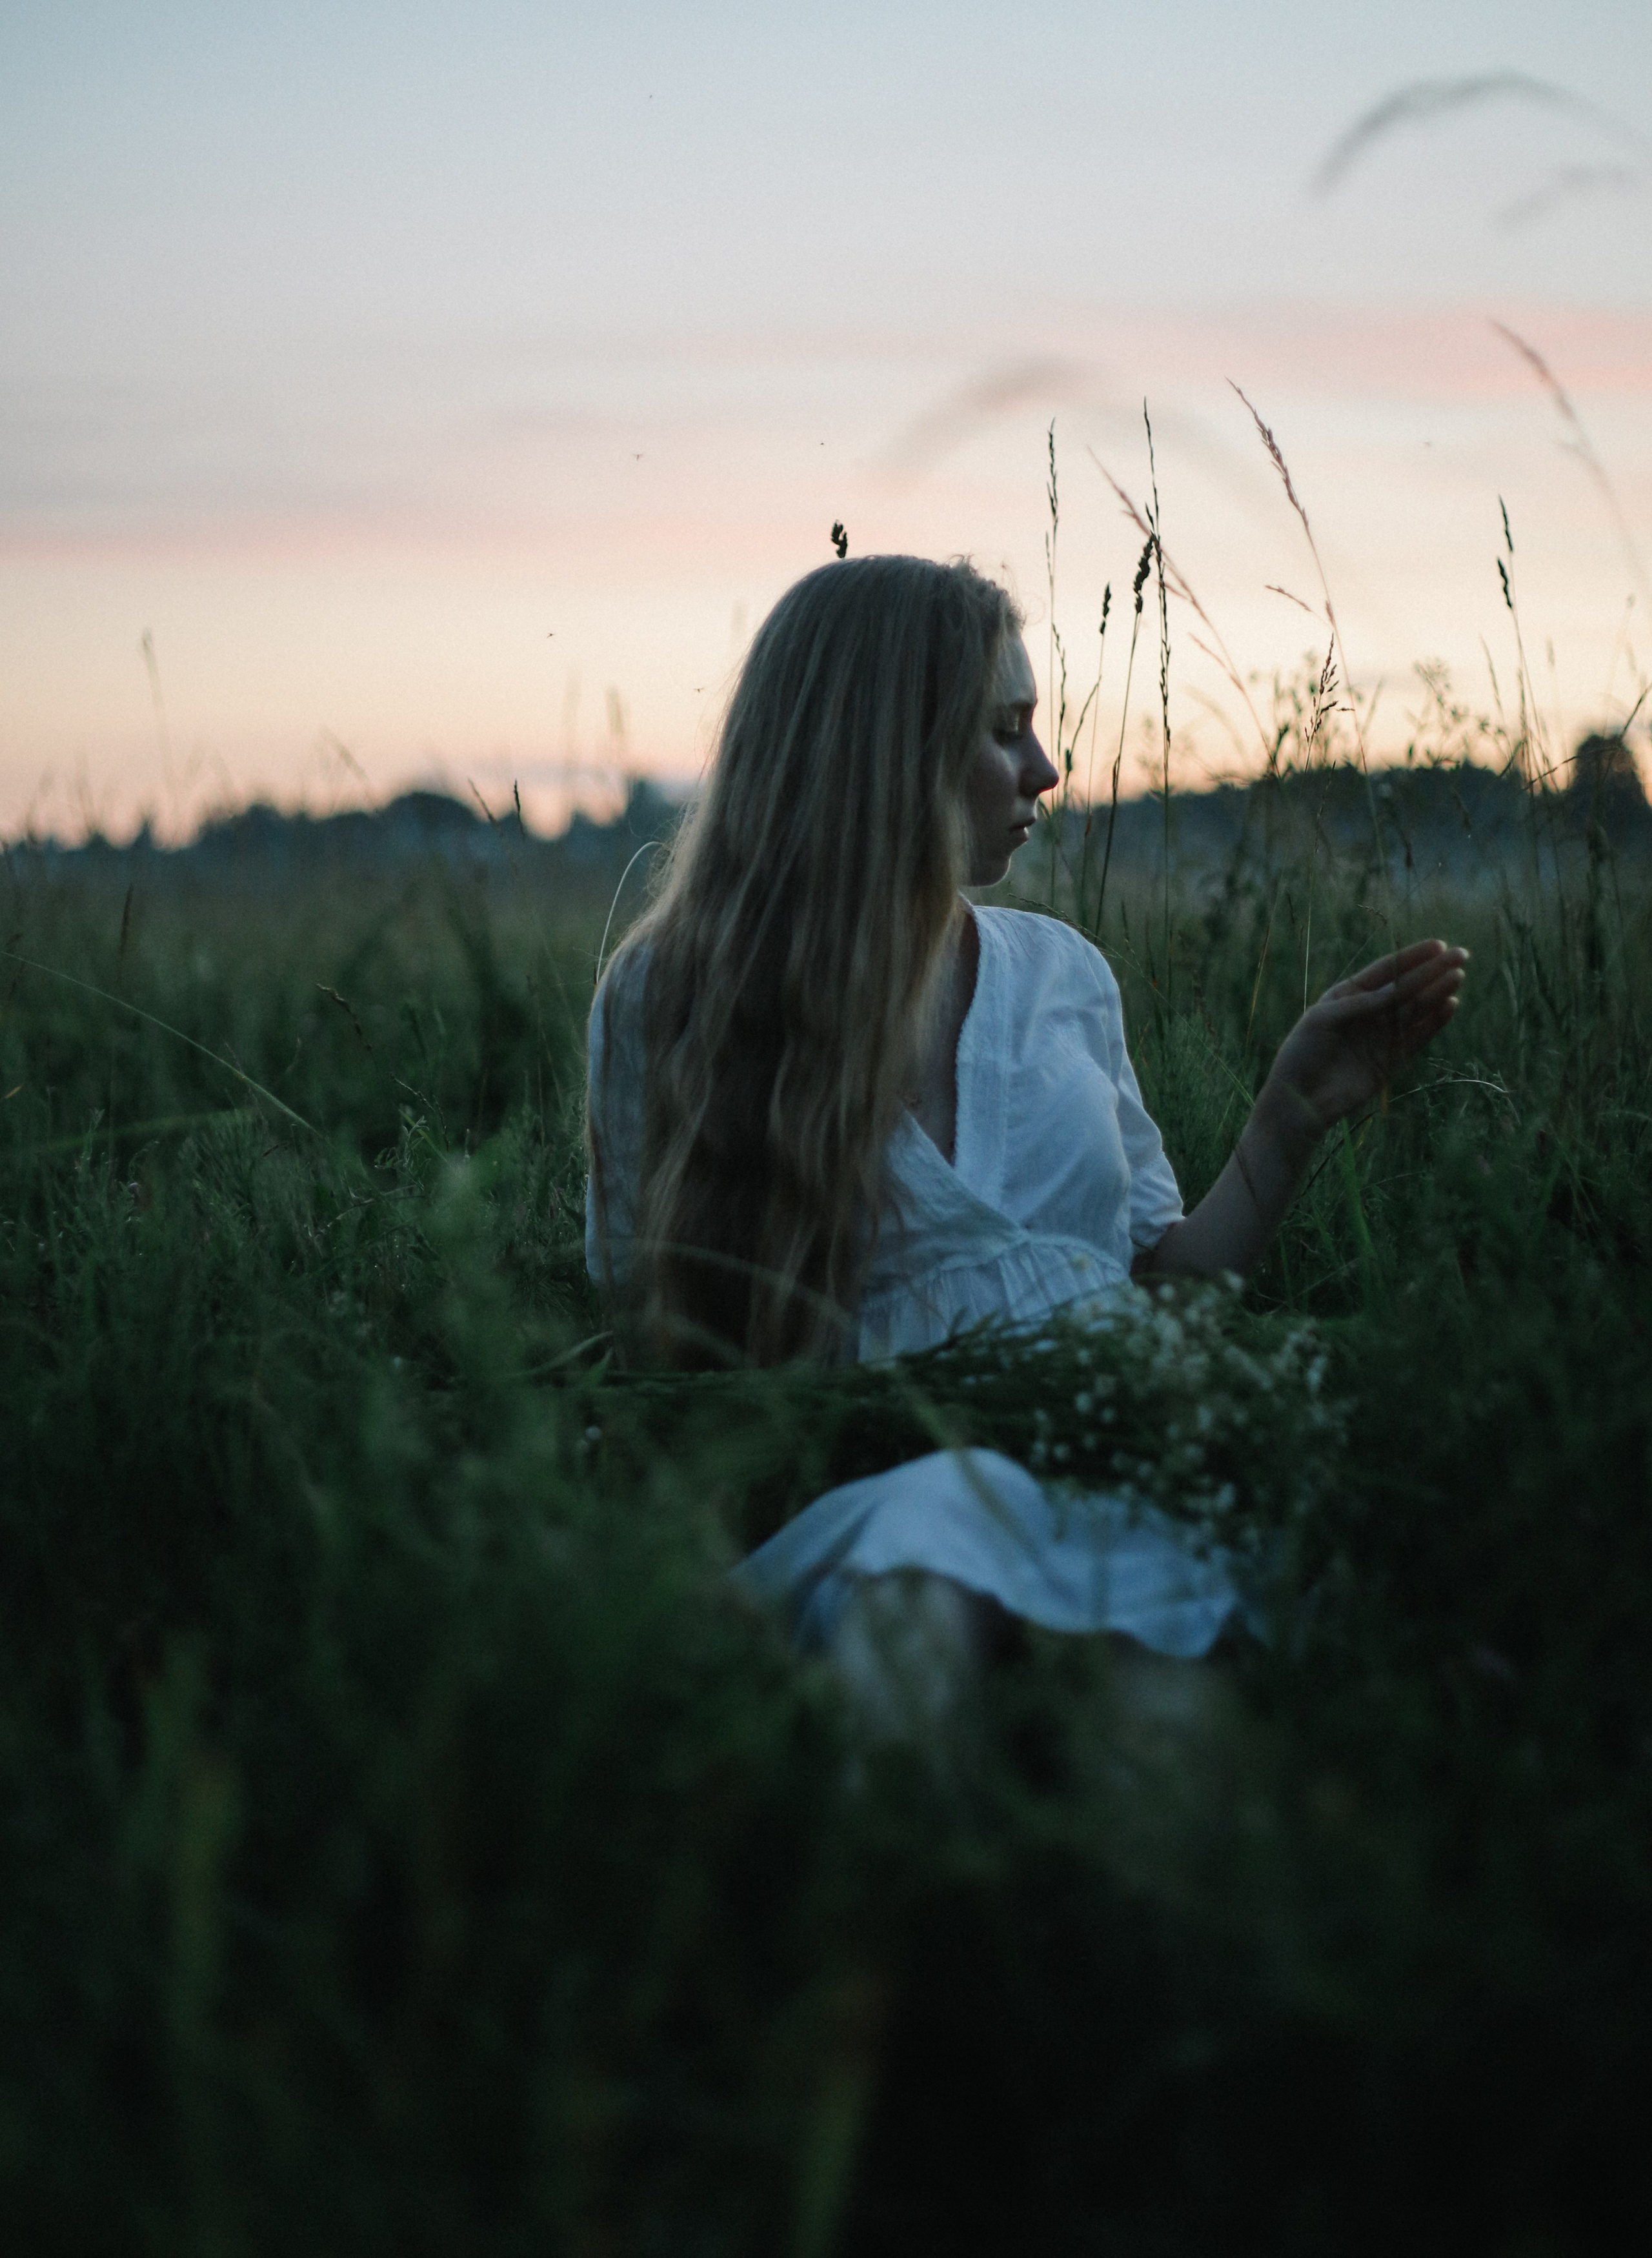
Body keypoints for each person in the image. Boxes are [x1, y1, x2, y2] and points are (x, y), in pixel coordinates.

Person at [585, 556, 1467, 1722]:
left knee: (1162, 1697)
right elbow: (659, 1353)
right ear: (881, 753)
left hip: (1109, 1493)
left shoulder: (1066, 979)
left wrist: (1288, 1115)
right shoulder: (670, 997)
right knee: (931, 1561)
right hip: (869, 1518)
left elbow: (1164, 1288)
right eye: (1004, 732)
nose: (1047, 770)